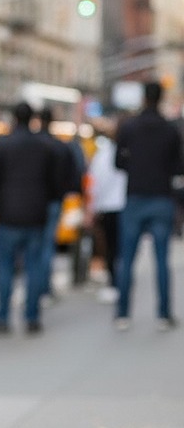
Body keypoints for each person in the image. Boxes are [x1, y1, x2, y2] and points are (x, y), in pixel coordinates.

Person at [0, 100, 62, 336]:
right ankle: (32, 317)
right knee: (34, 267)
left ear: (14, 119)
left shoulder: (2, 145)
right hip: (36, 215)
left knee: (5, 268)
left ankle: (2, 317)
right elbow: (54, 184)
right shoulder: (45, 146)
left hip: (8, 215)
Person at [114, 81, 183, 330]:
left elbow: (118, 161)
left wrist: (135, 166)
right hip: (161, 198)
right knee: (162, 260)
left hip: (135, 198)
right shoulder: (170, 129)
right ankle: (163, 314)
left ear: (143, 97)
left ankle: (122, 314)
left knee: (127, 259)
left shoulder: (130, 127)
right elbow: (178, 166)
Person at [36, 106, 83, 302]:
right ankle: (44, 289)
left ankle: (38, 289)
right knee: (46, 246)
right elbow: (75, 174)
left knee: (36, 249)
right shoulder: (60, 146)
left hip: (35, 202)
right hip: (54, 201)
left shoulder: (36, 145)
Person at [86, 117, 127, 303]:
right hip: (124, 207)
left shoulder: (102, 156)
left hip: (109, 207)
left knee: (111, 248)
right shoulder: (127, 153)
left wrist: (92, 208)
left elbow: (95, 185)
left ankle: (115, 283)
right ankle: (121, 282)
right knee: (120, 248)